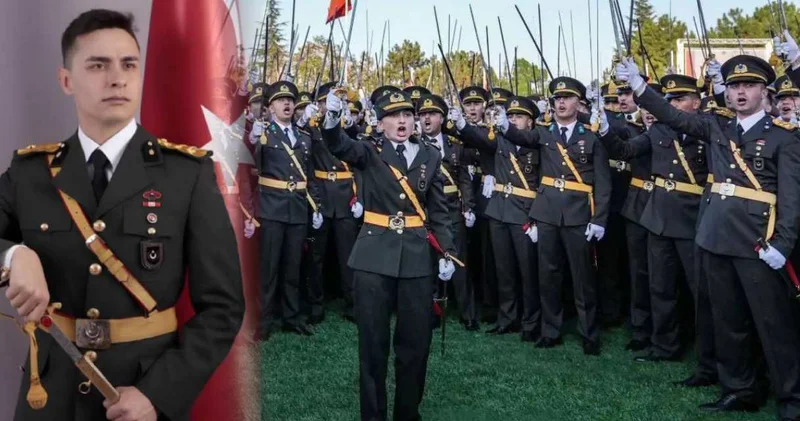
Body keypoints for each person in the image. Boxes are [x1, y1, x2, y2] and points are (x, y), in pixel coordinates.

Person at [1, 9, 243, 421]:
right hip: (51, 393)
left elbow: (223, 307)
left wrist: (158, 394)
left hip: (141, 395)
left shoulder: (186, 174)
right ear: (66, 81)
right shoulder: (29, 173)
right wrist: (13, 256)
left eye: (128, 64)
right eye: (98, 65)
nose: (117, 78)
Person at [616, 55, 800, 417]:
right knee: (727, 321)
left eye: (748, 85)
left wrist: (782, 243)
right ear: (727, 93)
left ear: (765, 92)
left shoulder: (784, 138)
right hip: (715, 237)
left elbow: (793, 200)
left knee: (772, 324)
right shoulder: (718, 127)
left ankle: (791, 397)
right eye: (734, 86)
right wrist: (640, 86)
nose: (741, 92)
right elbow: (673, 117)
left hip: (758, 243)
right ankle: (738, 389)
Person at [320, 89, 456, 421]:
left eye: (407, 115)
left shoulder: (430, 154)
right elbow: (338, 144)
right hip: (373, 256)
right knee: (373, 345)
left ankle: (408, 414)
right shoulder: (368, 151)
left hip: (416, 259)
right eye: (394, 116)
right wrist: (332, 118)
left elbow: (438, 210)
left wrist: (447, 251)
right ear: (380, 124)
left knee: (415, 345)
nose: (403, 121)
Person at [598, 72, 717, 388]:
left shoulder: (709, 127)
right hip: (659, 218)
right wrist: (606, 129)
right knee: (660, 287)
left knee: (701, 293)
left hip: (695, 219)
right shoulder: (659, 129)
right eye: (670, 100)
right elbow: (624, 151)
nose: (673, 104)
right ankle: (665, 345)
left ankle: (710, 357)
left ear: (697, 101)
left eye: (679, 99)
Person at [499, 77, 612, 355]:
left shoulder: (591, 136)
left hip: (578, 214)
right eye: (557, 99)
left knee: (582, 278)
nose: (561, 103)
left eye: (567, 98)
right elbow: (522, 136)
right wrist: (503, 125)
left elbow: (603, 182)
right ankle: (550, 330)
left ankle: (589, 333)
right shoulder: (543, 133)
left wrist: (599, 220)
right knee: (548, 275)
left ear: (578, 103)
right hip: (547, 213)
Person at [450, 94, 541, 340]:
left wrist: (537, 217)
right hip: (499, 210)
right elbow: (477, 137)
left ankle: (531, 321)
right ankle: (507, 318)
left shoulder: (537, 142)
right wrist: (460, 124)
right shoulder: (499, 140)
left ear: (530, 122)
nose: (513, 120)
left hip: (524, 211)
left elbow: (544, 183)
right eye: (510, 116)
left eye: (519, 117)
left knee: (528, 271)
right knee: (504, 270)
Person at [253, 80, 322, 339]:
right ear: (270, 107)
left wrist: (316, 206)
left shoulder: (303, 137)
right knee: (269, 268)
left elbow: (310, 175)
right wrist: (254, 141)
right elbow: (252, 168)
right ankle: (264, 320)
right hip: (271, 207)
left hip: (297, 208)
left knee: (293, 267)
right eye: (281, 100)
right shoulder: (263, 134)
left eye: (290, 100)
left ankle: (291, 317)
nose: (287, 104)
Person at [296, 81, 361, 324]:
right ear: (319, 104)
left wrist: (359, 196)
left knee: (348, 255)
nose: (335, 105)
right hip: (321, 195)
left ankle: (352, 302)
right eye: (328, 101)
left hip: (346, 196)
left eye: (341, 100)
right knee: (316, 254)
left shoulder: (349, 127)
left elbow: (360, 160)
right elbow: (302, 159)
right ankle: (315, 303)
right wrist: (302, 121)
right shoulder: (311, 129)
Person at [417, 93, 479, 331]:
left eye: (431, 114)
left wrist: (469, 207)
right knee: (429, 265)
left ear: (442, 118)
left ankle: (468, 313)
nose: (426, 119)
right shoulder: (414, 145)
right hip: (426, 212)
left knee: (459, 262)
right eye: (422, 115)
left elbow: (464, 180)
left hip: (453, 209)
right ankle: (432, 312)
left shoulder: (455, 147)